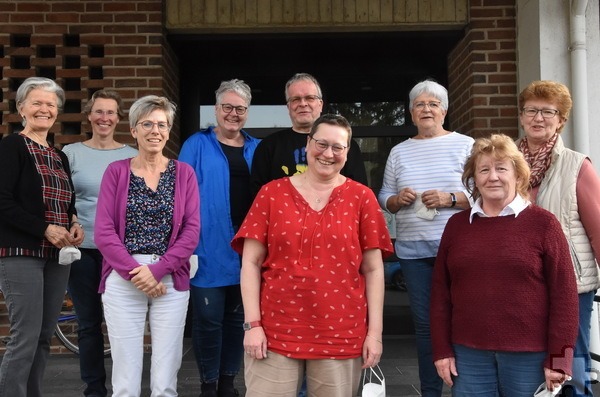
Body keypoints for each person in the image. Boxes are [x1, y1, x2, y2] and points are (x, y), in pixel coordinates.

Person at [232, 114, 394, 396]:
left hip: (341, 332)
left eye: (338, 147)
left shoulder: (362, 198)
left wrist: (375, 335)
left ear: (347, 152)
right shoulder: (271, 194)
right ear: (308, 144)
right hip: (274, 330)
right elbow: (250, 261)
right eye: (321, 144)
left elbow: (373, 270)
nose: (328, 154)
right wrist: (252, 324)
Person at [431, 133, 579, 396]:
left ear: (518, 175)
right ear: (474, 178)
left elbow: (565, 297)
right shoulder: (457, 226)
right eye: (484, 169)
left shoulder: (544, 224)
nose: (493, 176)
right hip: (468, 356)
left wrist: (559, 359)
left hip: (530, 357)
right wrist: (442, 350)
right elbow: (440, 293)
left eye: (501, 168)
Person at [94, 95, 200, 396]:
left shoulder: (184, 174)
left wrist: (157, 270)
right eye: (148, 124)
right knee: (125, 378)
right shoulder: (116, 171)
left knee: (166, 377)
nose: (156, 130)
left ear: (168, 131)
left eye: (162, 124)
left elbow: (191, 232)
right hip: (124, 276)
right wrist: (136, 271)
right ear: (134, 130)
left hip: (170, 277)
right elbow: (103, 232)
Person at [377, 79, 474, 396]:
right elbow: (384, 197)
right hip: (413, 253)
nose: (426, 109)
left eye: (433, 103)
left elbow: (483, 193)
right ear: (411, 111)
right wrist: (397, 200)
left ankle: (465, 387)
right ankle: (430, 391)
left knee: (461, 320)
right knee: (424, 326)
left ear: (444, 111)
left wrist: (449, 198)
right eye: (420, 104)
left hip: (459, 251)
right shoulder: (399, 151)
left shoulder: (466, 145)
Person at [0, 76, 84, 396]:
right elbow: (3, 201)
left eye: (50, 104)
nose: (44, 109)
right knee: (25, 336)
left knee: (44, 336)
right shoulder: (12, 146)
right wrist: (45, 228)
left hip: (55, 256)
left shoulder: (58, 155)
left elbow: (66, 200)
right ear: (21, 108)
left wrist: (73, 222)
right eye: (36, 102)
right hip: (21, 252)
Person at [515, 80, 600, 396]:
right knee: (534, 367)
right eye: (531, 111)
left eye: (548, 112)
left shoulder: (577, 165)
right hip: (523, 283)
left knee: (570, 368)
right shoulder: (507, 162)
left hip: (571, 286)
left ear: (561, 119)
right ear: (522, 116)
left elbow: (598, 228)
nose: (538, 118)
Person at [179, 79, 260, 397]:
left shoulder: (256, 147)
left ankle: (228, 383)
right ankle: (208, 385)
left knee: (236, 320)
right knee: (208, 321)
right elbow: (180, 195)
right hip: (207, 248)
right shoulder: (196, 145)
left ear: (247, 112)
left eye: (240, 108)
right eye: (227, 107)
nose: (233, 114)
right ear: (216, 110)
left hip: (248, 250)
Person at [62, 89, 138, 397]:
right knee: (89, 322)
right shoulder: (71, 153)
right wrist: (71, 223)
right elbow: (63, 200)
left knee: (123, 325)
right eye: (99, 112)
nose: (104, 118)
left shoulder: (131, 155)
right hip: (83, 250)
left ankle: (125, 386)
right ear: (89, 116)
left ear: (119, 119)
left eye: (111, 113)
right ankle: (94, 388)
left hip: (120, 252)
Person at [250, 72, 368, 196]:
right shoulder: (268, 146)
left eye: (310, 98)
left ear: (320, 104)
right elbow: (258, 195)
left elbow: (358, 192)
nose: (303, 103)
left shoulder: (343, 146)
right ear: (288, 107)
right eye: (295, 99)